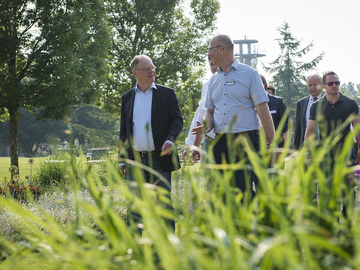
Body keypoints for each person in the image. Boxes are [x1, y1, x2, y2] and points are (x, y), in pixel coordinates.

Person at [193, 34, 276, 199]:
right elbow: (209, 111)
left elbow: (263, 109)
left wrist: (273, 143)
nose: (208, 54)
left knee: (242, 191)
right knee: (221, 192)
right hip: (220, 142)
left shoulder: (250, 74)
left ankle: (247, 223)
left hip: (245, 141)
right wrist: (207, 125)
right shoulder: (213, 81)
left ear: (221, 50)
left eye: (210, 50)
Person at [119, 55, 183, 232]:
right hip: (135, 160)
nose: (152, 71)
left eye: (152, 67)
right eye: (147, 69)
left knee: (163, 203)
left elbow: (177, 120)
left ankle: (168, 245)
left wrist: (170, 140)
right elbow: (124, 130)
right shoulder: (127, 98)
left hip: (160, 159)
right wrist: (122, 159)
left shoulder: (167, 94)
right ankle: (134, 248)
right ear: (135, 73)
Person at [305, 71, 360, 218]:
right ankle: (332, 223)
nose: (334, 86)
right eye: (330, 83)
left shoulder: (350, 103)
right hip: (325, 152)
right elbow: (310, 130)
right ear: (324, 86)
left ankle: (347, 219)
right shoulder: (316, 106)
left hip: (346, 151)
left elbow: (357, 128)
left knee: (348, 187)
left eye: (336, 83)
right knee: (326, 188)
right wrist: (308, 153)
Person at [182, 57, 217, 162]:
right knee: (209, 177)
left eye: (216, 64)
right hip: (208, 141)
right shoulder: (206, 86)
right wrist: (193, 147)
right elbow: (200, 118)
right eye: (211, 64)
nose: (214, 67)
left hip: (228, 141)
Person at [293, 74, 323, 149]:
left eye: (315, 85)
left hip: (324, 147)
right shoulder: (301, 103)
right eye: (310, 85)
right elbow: (298, 128)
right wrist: (295, 150)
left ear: (321, 85)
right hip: (307, 148)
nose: (312, 88)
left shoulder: (328, 101)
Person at [260, 75, 289, 147]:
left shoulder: (277, 102)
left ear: (262, 85)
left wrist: (273, 133)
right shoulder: (247, 103)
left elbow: (287, 123)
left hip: (276, 146)